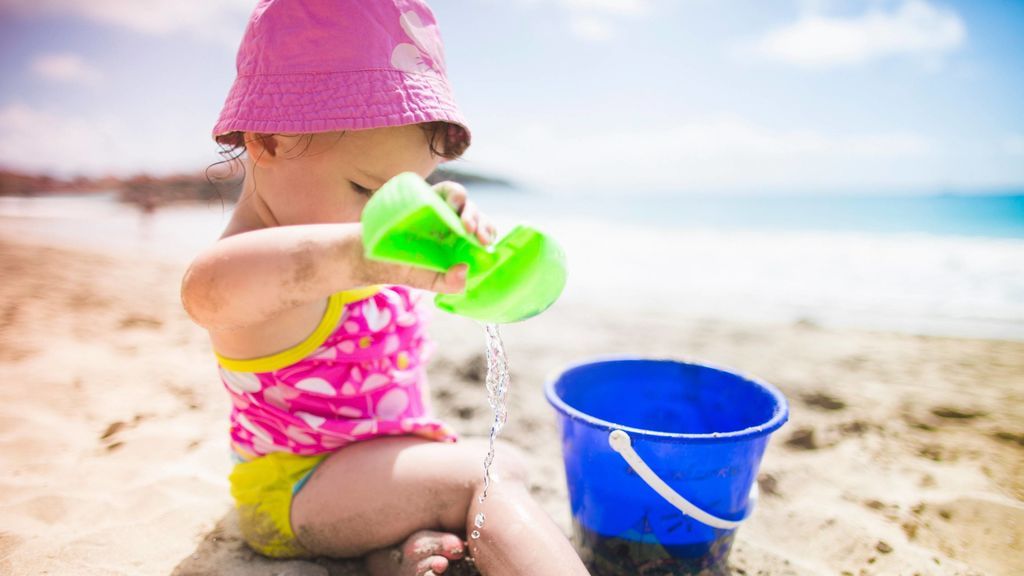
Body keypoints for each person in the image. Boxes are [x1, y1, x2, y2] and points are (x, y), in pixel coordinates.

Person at [180, 1, 590, 575]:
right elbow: (208, 289)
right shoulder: (260, 265)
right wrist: (367, 257)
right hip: (297, 492)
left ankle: (392, 553)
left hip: (373, 475)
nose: (387, 219)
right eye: (366, 189)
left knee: (497, 463)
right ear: (267, 140)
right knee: (489, 475)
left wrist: (446, 238)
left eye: (411, 192)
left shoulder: (343, 231)